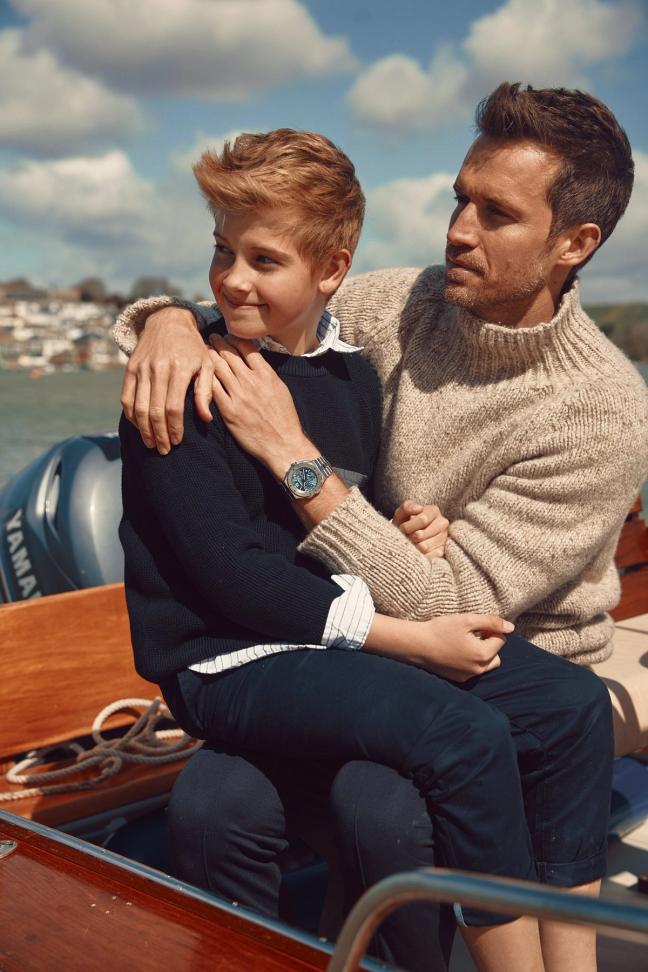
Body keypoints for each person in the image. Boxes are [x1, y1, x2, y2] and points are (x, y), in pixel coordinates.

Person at [113, 84, 647, 971]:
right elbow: (263, 302)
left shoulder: (602, 409)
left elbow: (453, 603)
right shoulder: (398, 307)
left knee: (394, 796)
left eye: (497, 214)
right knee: (217, 803)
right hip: (348, 641)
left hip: (498, 650)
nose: (458, 231)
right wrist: (162, 324)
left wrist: (298, 460)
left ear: (574, 243)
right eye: (460, 199)